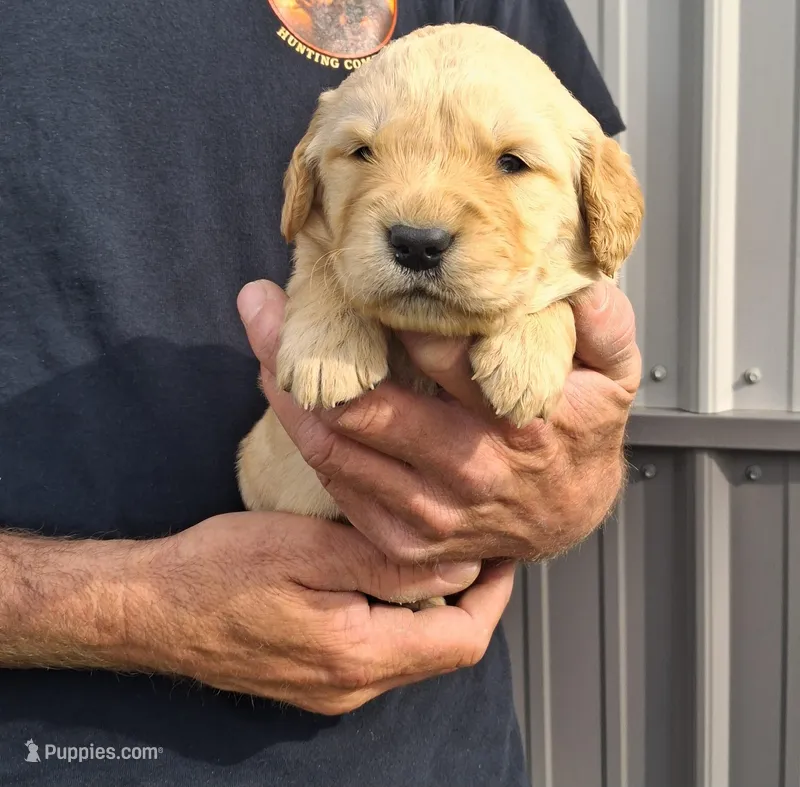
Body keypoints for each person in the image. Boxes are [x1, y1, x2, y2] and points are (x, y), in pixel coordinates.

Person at [0, 0, 641, 784]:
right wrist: (127, 606)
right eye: (363, 152)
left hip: (428, 755)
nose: (420, 217)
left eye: (510, 164)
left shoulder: (527, 85)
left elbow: (585, 249)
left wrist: (575, 473)